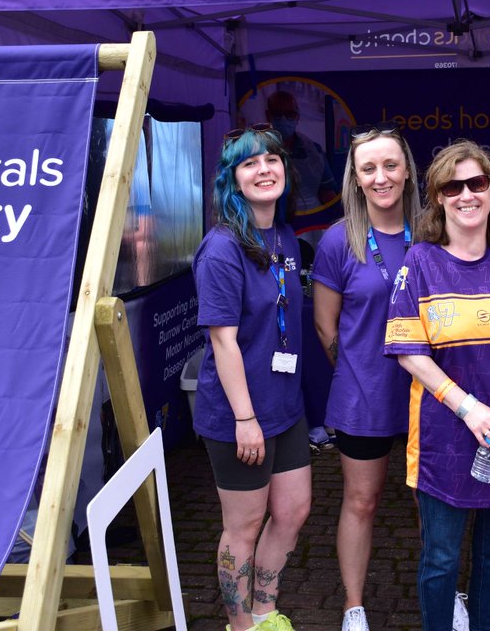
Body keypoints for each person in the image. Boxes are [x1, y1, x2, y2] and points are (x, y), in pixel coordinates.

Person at [385, 139, 490, 631]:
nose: (466, 195)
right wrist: (468, 409)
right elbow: (410, 354)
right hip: (446, 437)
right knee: (440, 559)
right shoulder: (419, 262)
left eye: (476, 183)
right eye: (452, 186)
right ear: (437, 196)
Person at [192, 123, 310, 631]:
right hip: (239, 416)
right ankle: (240, 627)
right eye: (249, 163)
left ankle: (265, 612)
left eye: (271, 159)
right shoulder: (221, 248)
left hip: (285, 408)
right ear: (232, 180)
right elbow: (223, 341)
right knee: (242, 528)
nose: (264, 169)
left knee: (292, 513)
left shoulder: (282, 234)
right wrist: (245, 418)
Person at [311, 122, 421, 631]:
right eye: (368, 168)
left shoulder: (435, 230)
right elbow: (325, 325)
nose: (381, 177)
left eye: (390, 165)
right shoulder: (339, 241)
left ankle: (447, 594)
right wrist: (357, 375)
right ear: (355, 179)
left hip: (433, 393)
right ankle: (354, 606)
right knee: (361, 500)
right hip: (365, 394)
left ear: (407, 171)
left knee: (437, 502)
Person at [266, 89, 339, 212]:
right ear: (268, 116)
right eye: (277, 114)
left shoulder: (313, 151)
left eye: (290, 114)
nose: (284, 119)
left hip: (310, 220)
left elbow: (328, 193)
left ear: (297, 117)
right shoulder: (258, 151)